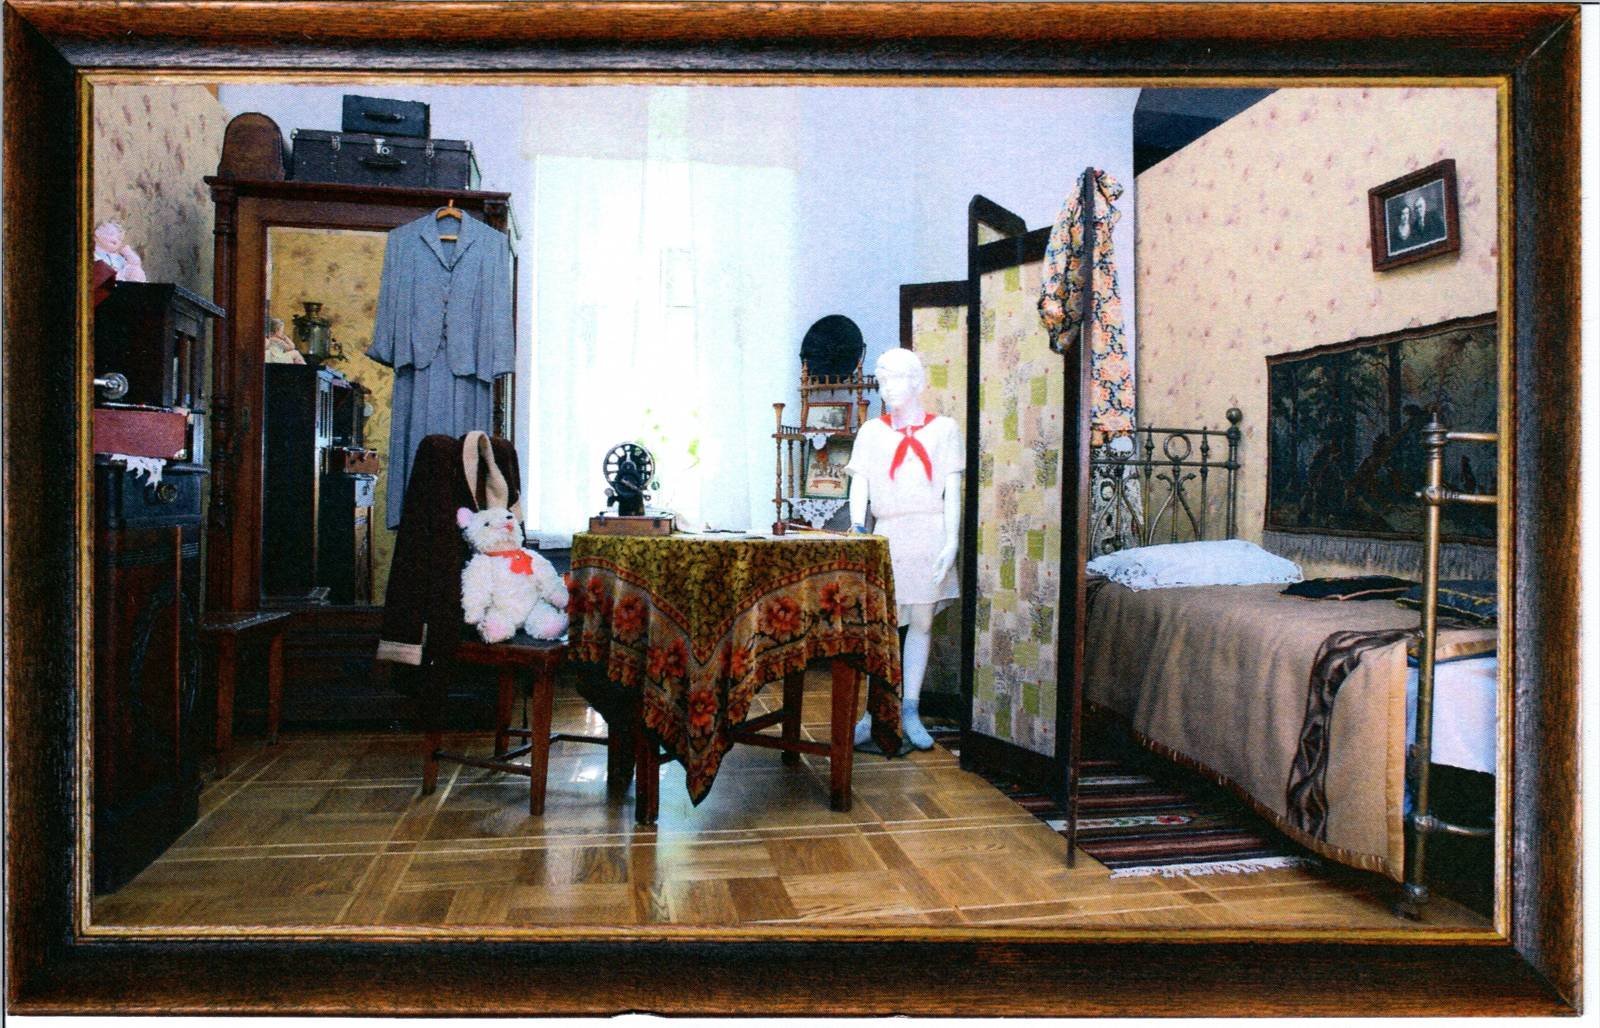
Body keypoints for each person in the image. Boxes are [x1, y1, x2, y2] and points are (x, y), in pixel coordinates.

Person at [843, 348, 963, 752]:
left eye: (895, 379)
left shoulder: (943, 429)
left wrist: (952, 540)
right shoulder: (871, 432)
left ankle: (910, 708)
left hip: (929, 531)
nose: (887, 388)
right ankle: (873, 713)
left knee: (923, 621)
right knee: (883, 625)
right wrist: (859, 528)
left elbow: (952, 489)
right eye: (882, 381)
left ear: (917, 382)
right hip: (887, 534)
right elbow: (859, 482)